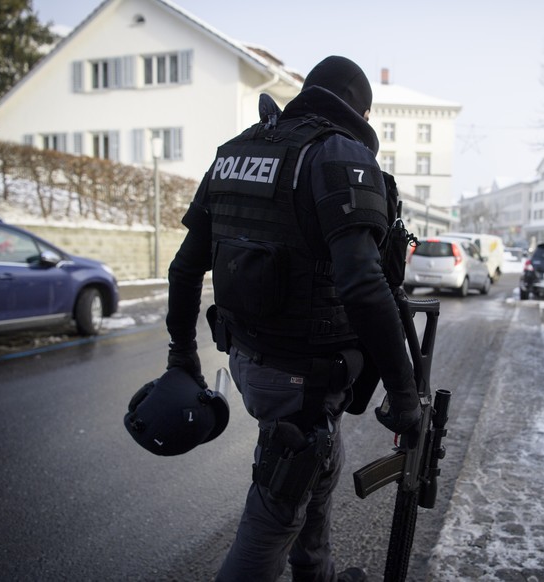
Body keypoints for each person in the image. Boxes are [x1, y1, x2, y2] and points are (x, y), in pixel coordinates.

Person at [164, 55, 421, 582]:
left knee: (316, 472)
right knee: (275, 512)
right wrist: (402, 394)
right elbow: (366, 287)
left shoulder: (237, 151)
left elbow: (184, 267)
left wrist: (182, 357)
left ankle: (316, 572)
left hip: (251, 360)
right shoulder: (337, 155)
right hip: (301, 376)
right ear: (360, 109)